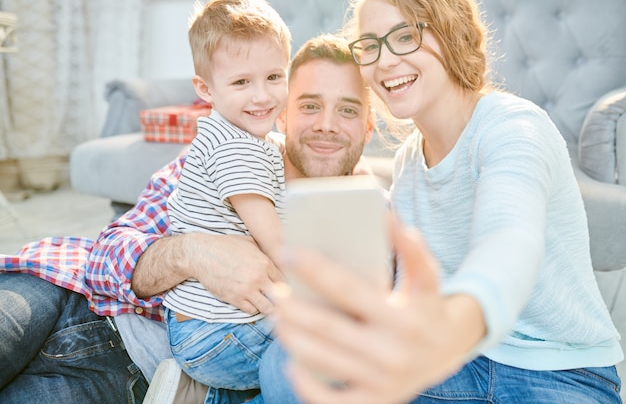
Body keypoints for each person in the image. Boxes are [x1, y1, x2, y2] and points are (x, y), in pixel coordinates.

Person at [270, 0, 624, 403]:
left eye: (405, 37)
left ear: (451, 34)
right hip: (453, 370)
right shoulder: (405, 168)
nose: (384, 61)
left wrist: (450, 330)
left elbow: (510, 240)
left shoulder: (514, 127)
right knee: (291, 370)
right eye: (370, 45)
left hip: (560, 374)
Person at [0, 32, 374, 403]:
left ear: (369, 126)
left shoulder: (375, 217)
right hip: (61, 292)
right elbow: (104, 258)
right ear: (282, 115)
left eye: (347, 109)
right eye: (309, 106)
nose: (326, 124)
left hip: (137, 381)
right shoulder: (233, 156)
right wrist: (191, 253)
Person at [162, 0, 291, 400]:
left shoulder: (234, 135)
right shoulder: (236, 149)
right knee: (335, 340)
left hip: (201, 326)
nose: (262, 96)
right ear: (206, 88)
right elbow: (276, 243)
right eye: (241, 82)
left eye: (274, 76)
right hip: (216, 334)